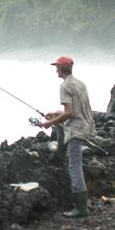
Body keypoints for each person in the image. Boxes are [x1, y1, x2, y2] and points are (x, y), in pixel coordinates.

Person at [41, 55, 94, 218]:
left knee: (74, 166)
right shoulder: (80, 83)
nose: (55, 70)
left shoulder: (64, 86)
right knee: (58, 120)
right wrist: (55, 115)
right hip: (87, 124)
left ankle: (81, 208)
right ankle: (60, 150)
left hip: (76, 130)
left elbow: (69, 113)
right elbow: (75, 110)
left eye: (57, 67)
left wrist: (49, 123)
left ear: (61, 69)